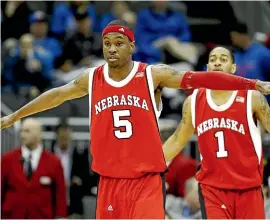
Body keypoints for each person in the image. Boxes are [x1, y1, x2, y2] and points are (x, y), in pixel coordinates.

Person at [1, 20, 270, 218]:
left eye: (119, 44)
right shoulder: (92, 78)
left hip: (145, 181)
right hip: (109, 181)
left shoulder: (153, 75)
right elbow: (56, 95)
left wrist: (251, 83)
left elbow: (203, 77)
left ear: (132, 46)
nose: (112, 49)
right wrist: (16, 114)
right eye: (107, 44)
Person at [163, 46, 270, 219]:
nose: (217, 63)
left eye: (223, 59)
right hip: (213, 189)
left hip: (248, 187)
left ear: (233, 68)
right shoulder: (193, 102)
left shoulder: (252, 98)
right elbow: (177, 140)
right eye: (212, 60)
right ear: (206, 68)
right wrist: (153, 166)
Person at [1, 118, 67, 219]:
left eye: (27, 131)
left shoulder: (54, 162)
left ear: (38, 134)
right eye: (22, 131)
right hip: (11, 216)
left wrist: (61, 217)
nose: (22, 135)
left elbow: (60, 196)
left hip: (42, 216)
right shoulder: (7, 159)